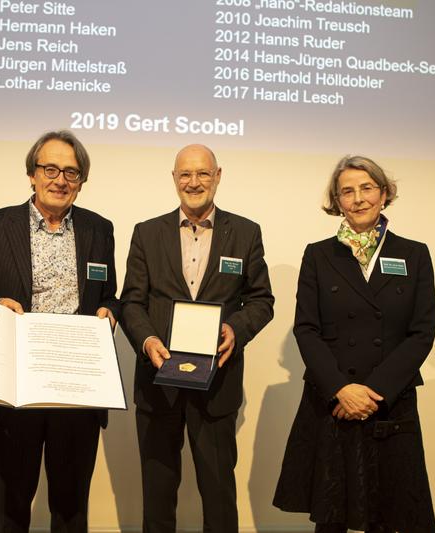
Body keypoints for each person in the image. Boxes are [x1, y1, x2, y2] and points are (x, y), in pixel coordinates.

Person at [0, 130, 120, 533]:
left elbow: (111, 295)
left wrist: (110, 314)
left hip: (76, 393)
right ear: (31, 173)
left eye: (72, 172)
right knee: (11, 507)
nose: (60, 180)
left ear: (82, 181)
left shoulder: (100, 229)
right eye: (50, 169)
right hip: (13, 394)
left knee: (70, 508)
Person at [273, 155, 435, 533]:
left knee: (394, 517)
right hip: (333, 402)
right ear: (337, 201)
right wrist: (341, 390)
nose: (358, 198)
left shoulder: (414, 254)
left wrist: (373, 391)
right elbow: (307, 329)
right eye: (347, 191)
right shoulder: (318, 255)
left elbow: (422, 332)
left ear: (384, 194)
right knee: (333, 518)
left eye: (366, 188)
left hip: (390, 405)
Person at [120, 144, 274, 533]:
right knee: (157, 496)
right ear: (174, 179)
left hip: (216, 386)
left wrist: (236, 329)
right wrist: (147, 341)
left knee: (219, 495)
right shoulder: (146, 233)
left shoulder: (246, 232)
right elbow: (131, 303)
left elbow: (261, 300)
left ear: (218, 176)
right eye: (185, 174)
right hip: (158, 384)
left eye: (203, 173)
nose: (194, 182)